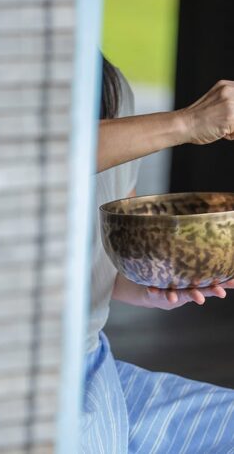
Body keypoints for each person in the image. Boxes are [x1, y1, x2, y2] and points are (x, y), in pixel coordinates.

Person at [81, 55, 234, 453]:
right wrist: (187, 122)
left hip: (94, 365)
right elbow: (43, 155)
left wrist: (142, 284)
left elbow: (100, 256)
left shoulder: (110, 86)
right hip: (32, 381)